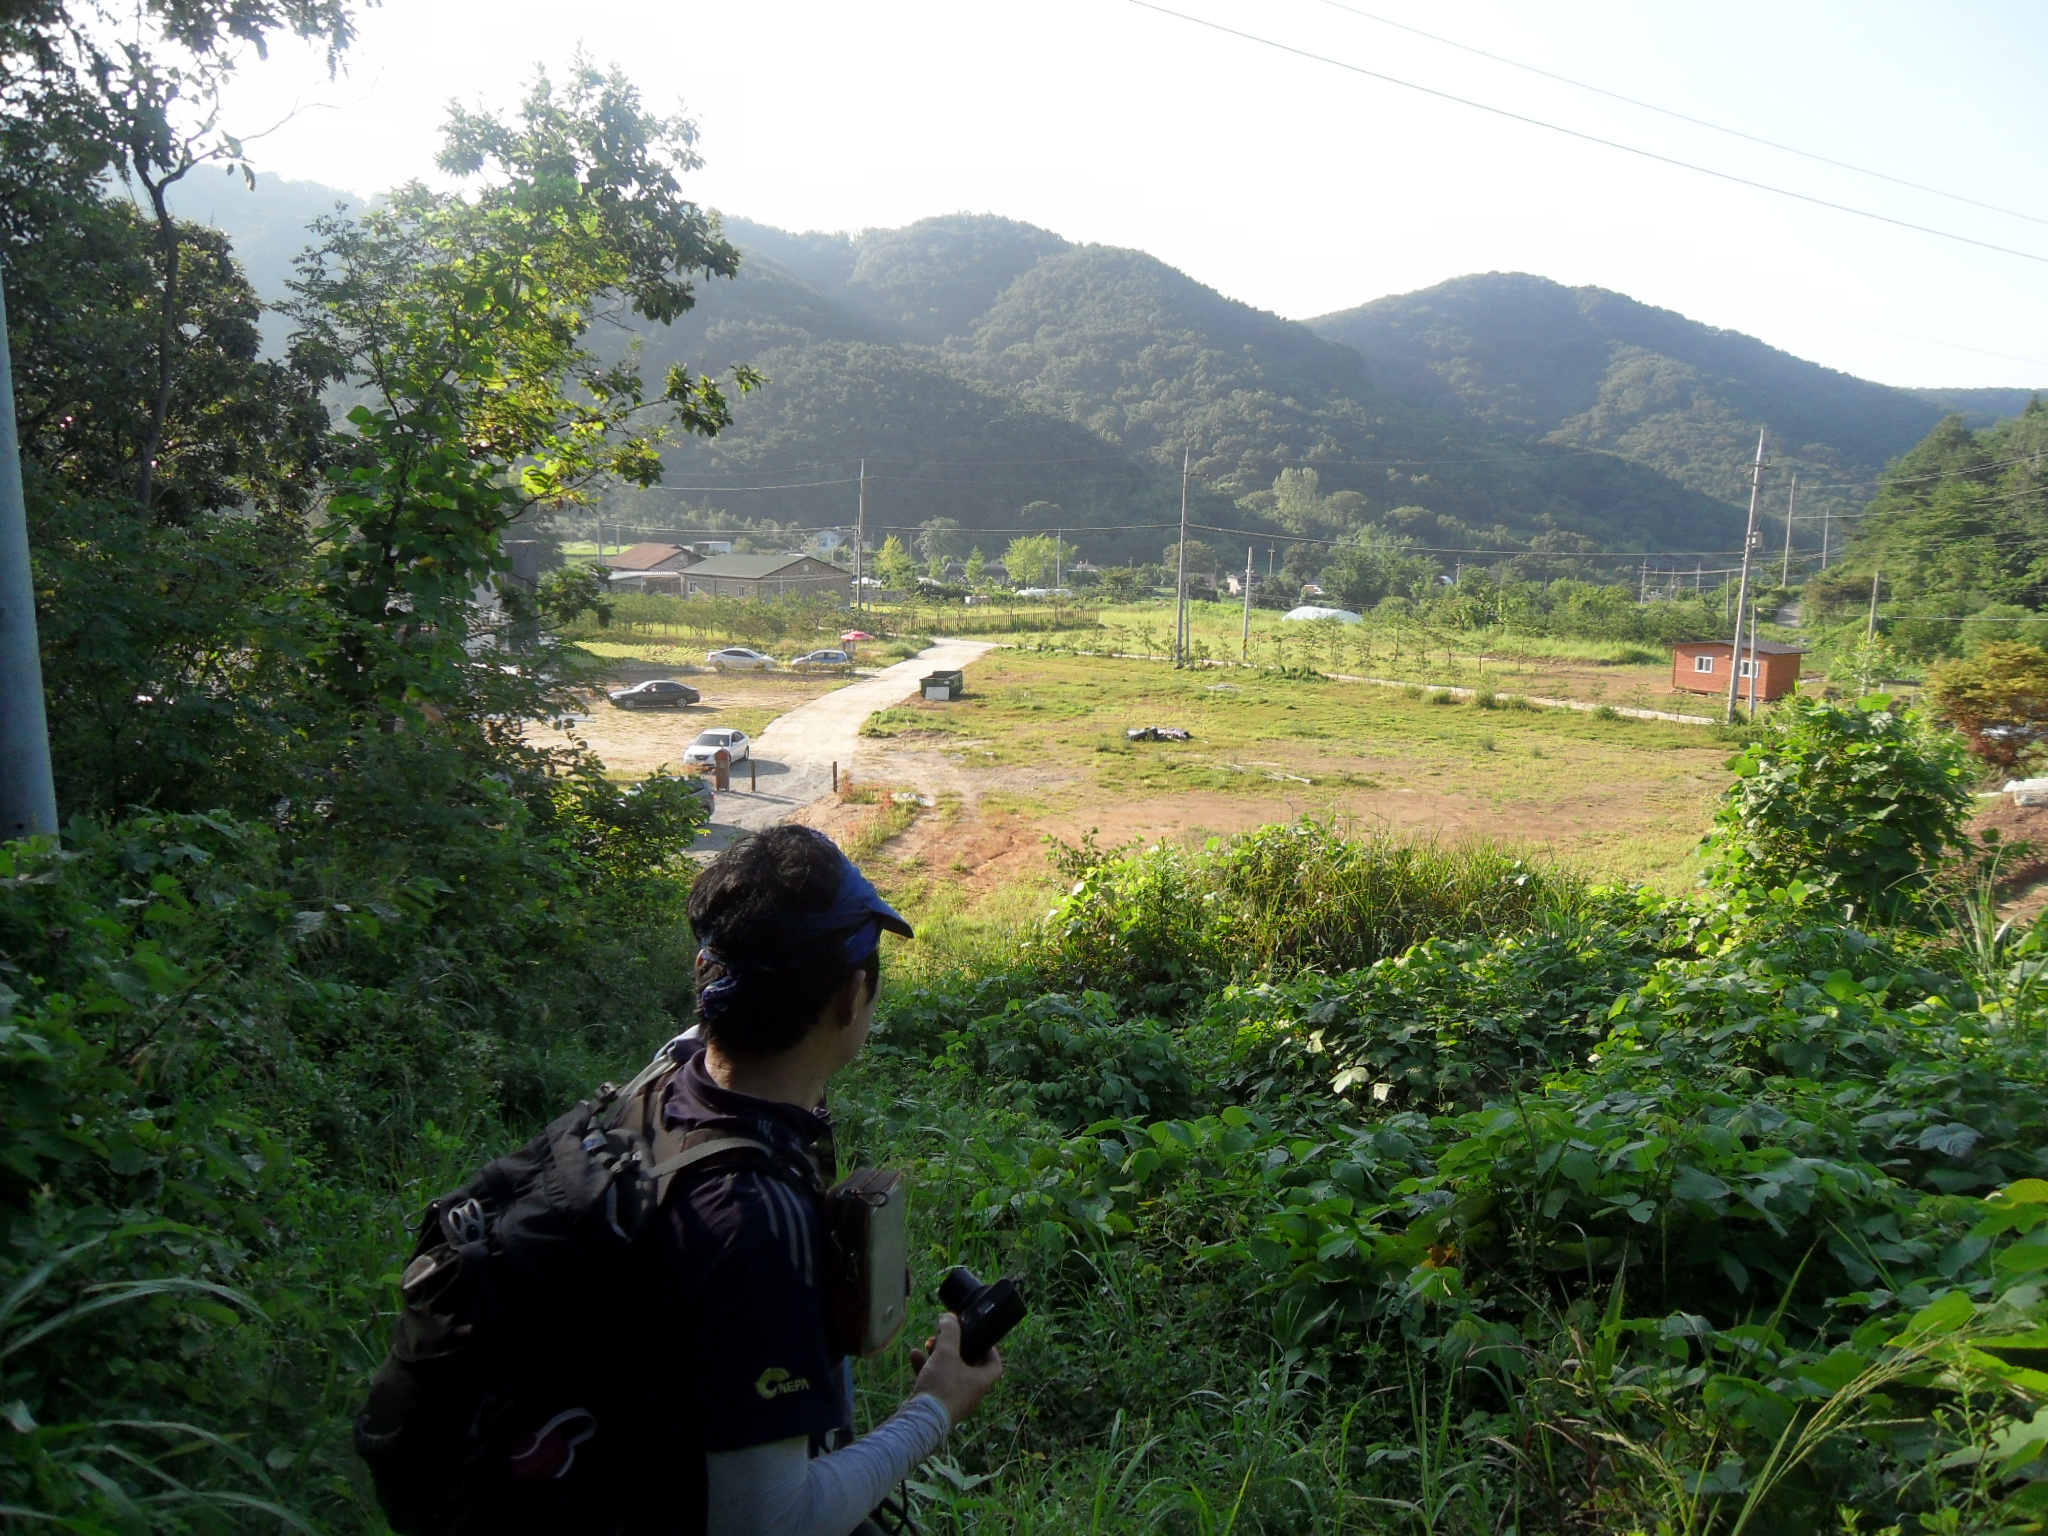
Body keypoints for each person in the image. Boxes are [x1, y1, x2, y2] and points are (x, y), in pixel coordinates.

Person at [655, 825, 1003, 1536]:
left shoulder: (665, 1082)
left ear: (707, 974)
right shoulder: (751, 1227)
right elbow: (771, 1523)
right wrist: (934, 1407)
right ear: (851, 996)